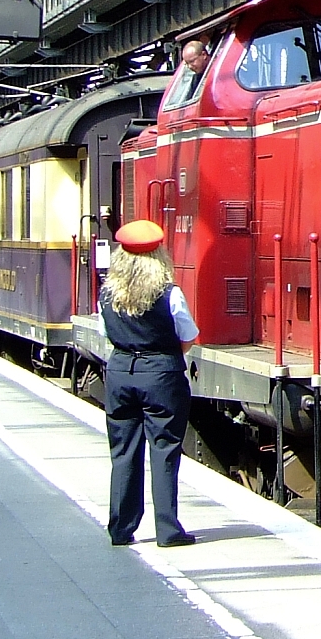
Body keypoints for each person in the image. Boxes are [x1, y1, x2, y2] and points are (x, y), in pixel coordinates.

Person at [98, 220, 199, 547]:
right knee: (165, 450)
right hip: (162, 376)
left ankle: (121, 528)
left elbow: (105, 333)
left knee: (123, 451)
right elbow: (189, 338)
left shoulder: (107, 292)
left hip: (121, 373)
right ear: (159, 256)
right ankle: (168, 530)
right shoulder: (171, 294)